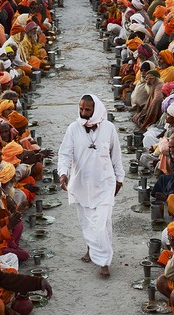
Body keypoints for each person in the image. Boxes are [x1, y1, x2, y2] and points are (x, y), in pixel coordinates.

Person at [57, 94, 125, 277]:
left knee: (102, 223)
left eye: (87, 109)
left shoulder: (109, 128)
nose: (83, 113)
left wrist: (120, 179)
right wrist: (63, 174)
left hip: (105, 184)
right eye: (81, 109)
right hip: (81, 184)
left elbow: (116, 155)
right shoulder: (73, 128)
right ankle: (91, 249)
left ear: (97, 110)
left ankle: (104, 263)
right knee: (87, 223)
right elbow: (64, 154)